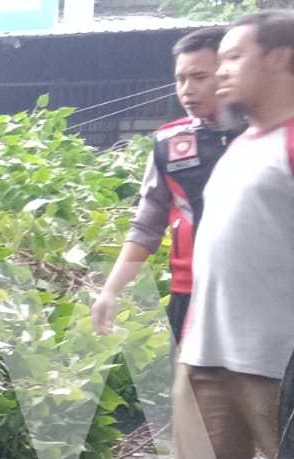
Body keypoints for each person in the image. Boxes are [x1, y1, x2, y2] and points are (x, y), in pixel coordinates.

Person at [135, 10, 294, 459]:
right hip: (210, 346)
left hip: (278, 355)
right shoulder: (241, 146)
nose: (219, 71)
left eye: (233, 58)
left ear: (280, 59)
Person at [93, 26, 241, 341]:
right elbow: (147, 225)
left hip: (264, 292)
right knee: (190, 387)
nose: (187, 89)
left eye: (199, 77)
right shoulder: (169, 142)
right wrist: (110, 290)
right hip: (190, 292)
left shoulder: (271, 136)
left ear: (230, 72)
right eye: (180, 79)